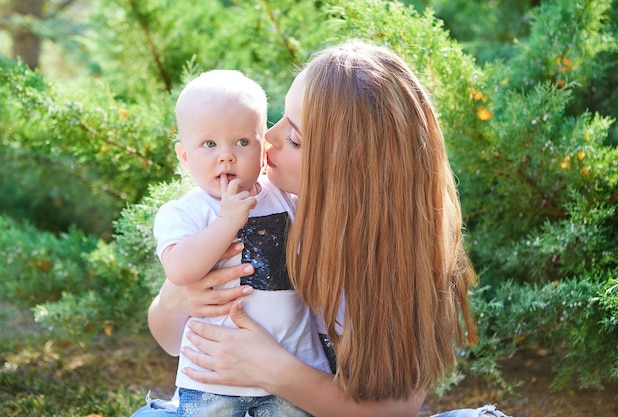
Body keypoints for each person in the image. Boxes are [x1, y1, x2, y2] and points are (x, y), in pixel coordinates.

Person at [132, 41, 510, 417]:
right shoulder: (252, 203)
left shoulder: (386, 259)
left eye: (294, 138)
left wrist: (275, 371)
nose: (268, 141)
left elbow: (399, 407)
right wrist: (175, 299)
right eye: (278, 120)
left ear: (348, 169)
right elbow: (169, 339)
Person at [152, 69, 331, 417]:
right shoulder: (185, 212)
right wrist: (227, 221)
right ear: (184, 156)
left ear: (262, 148)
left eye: (242, 142)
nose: (226, 156)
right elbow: (180, 270)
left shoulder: (283, 198)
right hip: (213, 376)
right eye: (209, 144)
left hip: (292, 364)